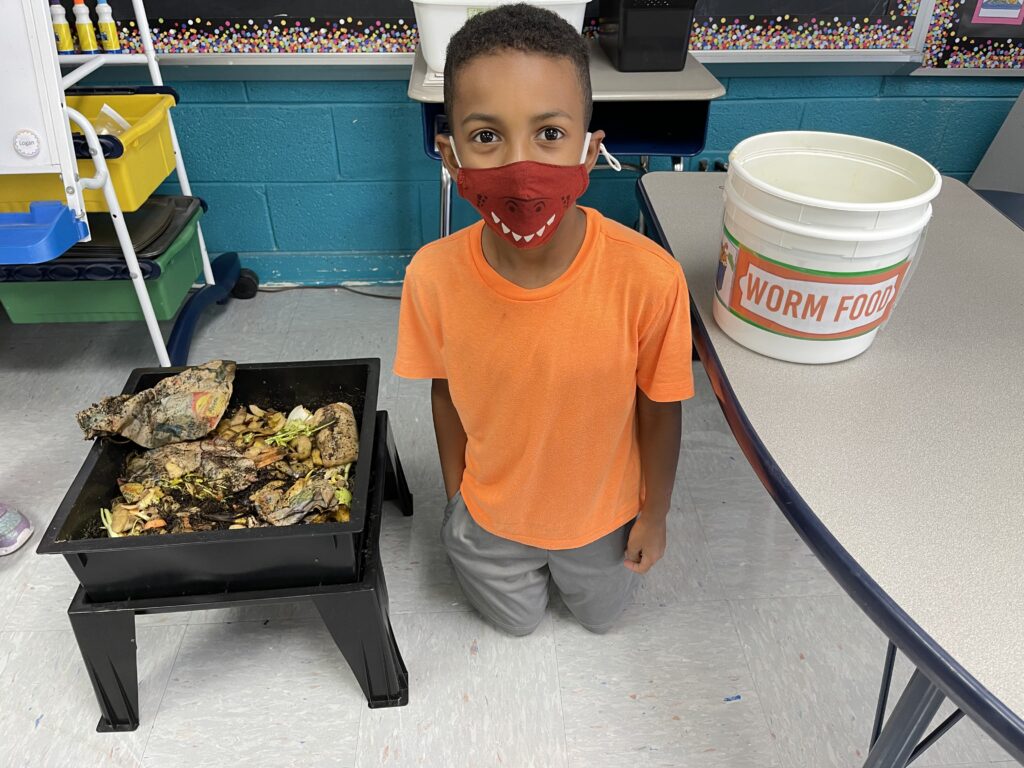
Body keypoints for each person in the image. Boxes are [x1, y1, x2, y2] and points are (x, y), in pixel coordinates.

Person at [395, 4, 693, 636]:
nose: (521, 166)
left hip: (602, 520)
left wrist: (655, 514)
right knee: (516, 625)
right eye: (486, 136)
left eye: (550, 134)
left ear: (591, 146)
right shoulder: (431, 275)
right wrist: (457, 501)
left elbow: (660, 405)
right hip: (490, 520)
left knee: (602, 620)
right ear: (450, 157)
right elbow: (444, 392)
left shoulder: (649, 277)